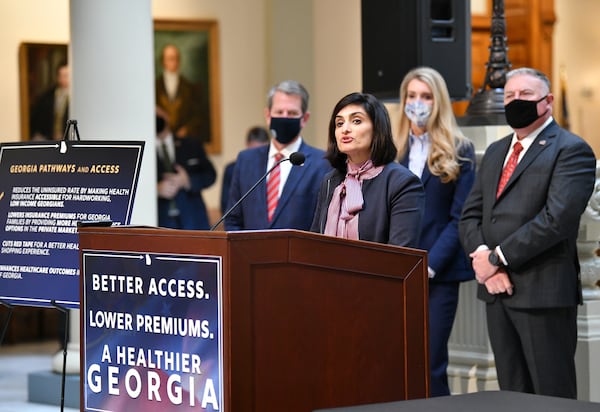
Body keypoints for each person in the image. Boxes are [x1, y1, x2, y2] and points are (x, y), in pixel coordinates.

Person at [459, 67, 596, 399]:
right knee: (512, 394)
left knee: (551, 395)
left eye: (525, 96)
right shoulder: (495, 152)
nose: (514, 102)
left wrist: (497, 258)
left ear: (547, 101)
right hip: (497, 292)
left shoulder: (570, 150)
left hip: (542, 292)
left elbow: (556, 220)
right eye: (509, 96)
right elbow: (470, 215)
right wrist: (483, 260)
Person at [396, 67, 476, 397]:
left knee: (430, 363)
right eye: (412, 96)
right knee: (396, 361)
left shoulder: (460, 150)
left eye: (426, 97)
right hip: (395, 272)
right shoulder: (391, 150)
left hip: (436, 274)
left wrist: (428, 266)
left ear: (438, 101)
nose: (418, 103)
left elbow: (460, 218)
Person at [311, 92, 424, 248]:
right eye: (339, 123)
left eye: (356, 121)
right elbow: (313, 243)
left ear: (377, 128)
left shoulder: (402, 183)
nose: (345, 129)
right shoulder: (331, 181)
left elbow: (400, 256)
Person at [224, 80, 331, 231]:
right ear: (268, 115)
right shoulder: (246, 160)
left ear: (304, 119)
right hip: (250, 253)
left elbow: (323, 225)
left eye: (292, 113)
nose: (285, 117)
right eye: (279, 112)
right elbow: (233, 219)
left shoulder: (322, 164)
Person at [156, 106, 216, 230]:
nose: (156, 118)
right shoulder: (144, 150)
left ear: (166, 116)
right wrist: (155, 190)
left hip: (193, 220)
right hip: (160, 222)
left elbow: (210, 175)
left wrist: (187, 181)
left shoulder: (191, 145)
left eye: (158, 114)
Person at [155, 43, 204, 140]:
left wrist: (187, 129)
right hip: (159, 140)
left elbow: (197, 116)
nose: (174, 62)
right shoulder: (155, 86)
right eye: (170, 58)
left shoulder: (189, 87)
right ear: (163, 61)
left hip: (183, 140)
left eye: (176, 58)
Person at [220, 126, 269, 214]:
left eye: (262, 150)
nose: (258, 154)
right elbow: (225, 203)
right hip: (242, 220)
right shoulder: (232, 169)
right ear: (247, 145)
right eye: (254, 150)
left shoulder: (273, 168)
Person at [29, 62, 69, 141]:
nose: (64, 79)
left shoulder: (77, 96)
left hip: (68, 139)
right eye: (61, 76)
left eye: (66, 76)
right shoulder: (47, 96)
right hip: (49, 138)